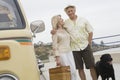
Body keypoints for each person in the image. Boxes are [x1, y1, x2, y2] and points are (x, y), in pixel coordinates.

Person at [63, 5, 97, 80]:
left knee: (92, 66)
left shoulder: (83, 20)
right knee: (80, 68)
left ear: (75, 10)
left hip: (85, 45)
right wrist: (53, 31)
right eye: (68, 11)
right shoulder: (65, 23)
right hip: (74, 48)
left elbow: (90, 32)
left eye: (72, 10)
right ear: (66, 13)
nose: (70, 12)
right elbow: (59, 28)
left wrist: (89, 43)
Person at [51, 15, 78, 80]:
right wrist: (57, 58)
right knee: (67, 72)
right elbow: (55, 46)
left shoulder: (65, 29)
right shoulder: (55, 32)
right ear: (57, 22)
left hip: (69, 52)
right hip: (62, 54)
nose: (63, 19)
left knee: (73, 71)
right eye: (60, 19)